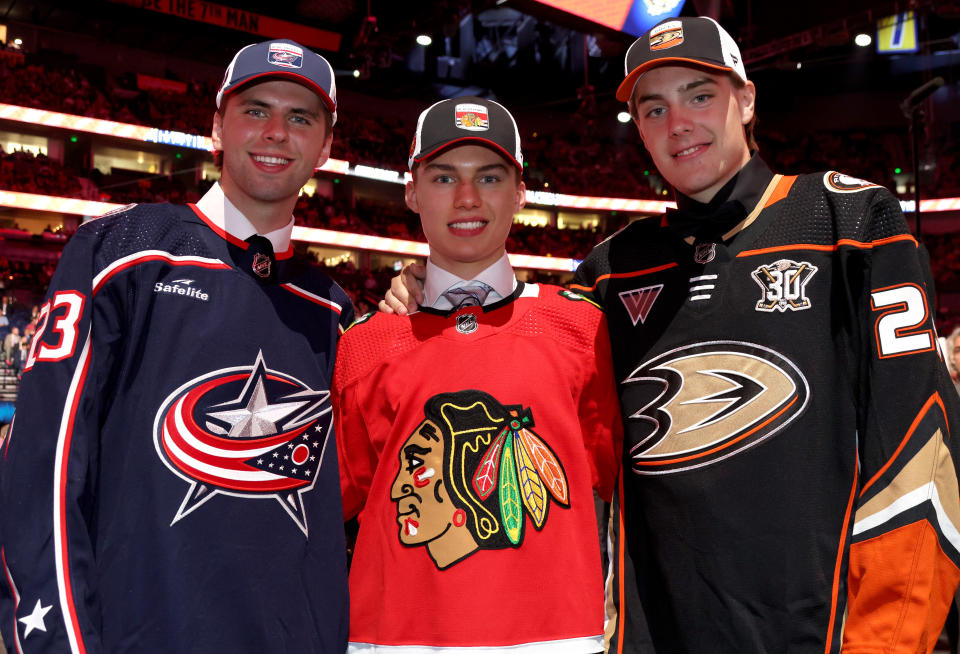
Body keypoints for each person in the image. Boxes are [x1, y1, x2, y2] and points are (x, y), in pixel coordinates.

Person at [383, 17, 960, 654]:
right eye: (653, 108)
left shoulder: (848, 221)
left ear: (746, 99)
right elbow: (508, 357)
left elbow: (918, 452)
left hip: (820, 632)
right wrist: (432, 301)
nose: (676, 122)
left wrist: (889, 642)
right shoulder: (609, 270)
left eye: (699, 95)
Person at [0, 39, 353, 653]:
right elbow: (44, 469)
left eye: (301, 118)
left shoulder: (332, 311)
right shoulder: (123, 251)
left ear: (325, 147)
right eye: (255, 109)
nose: (276, 132)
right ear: (217, 126)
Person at [333, 96, 622, 652]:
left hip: (553, 639)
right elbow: (334, 506)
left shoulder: (583, 330)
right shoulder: (364, 346)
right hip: (395, 639)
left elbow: (617, 479)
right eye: (444, 177)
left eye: (488, 177)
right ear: (413, 192)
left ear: (519, 191)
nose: (467, 198)